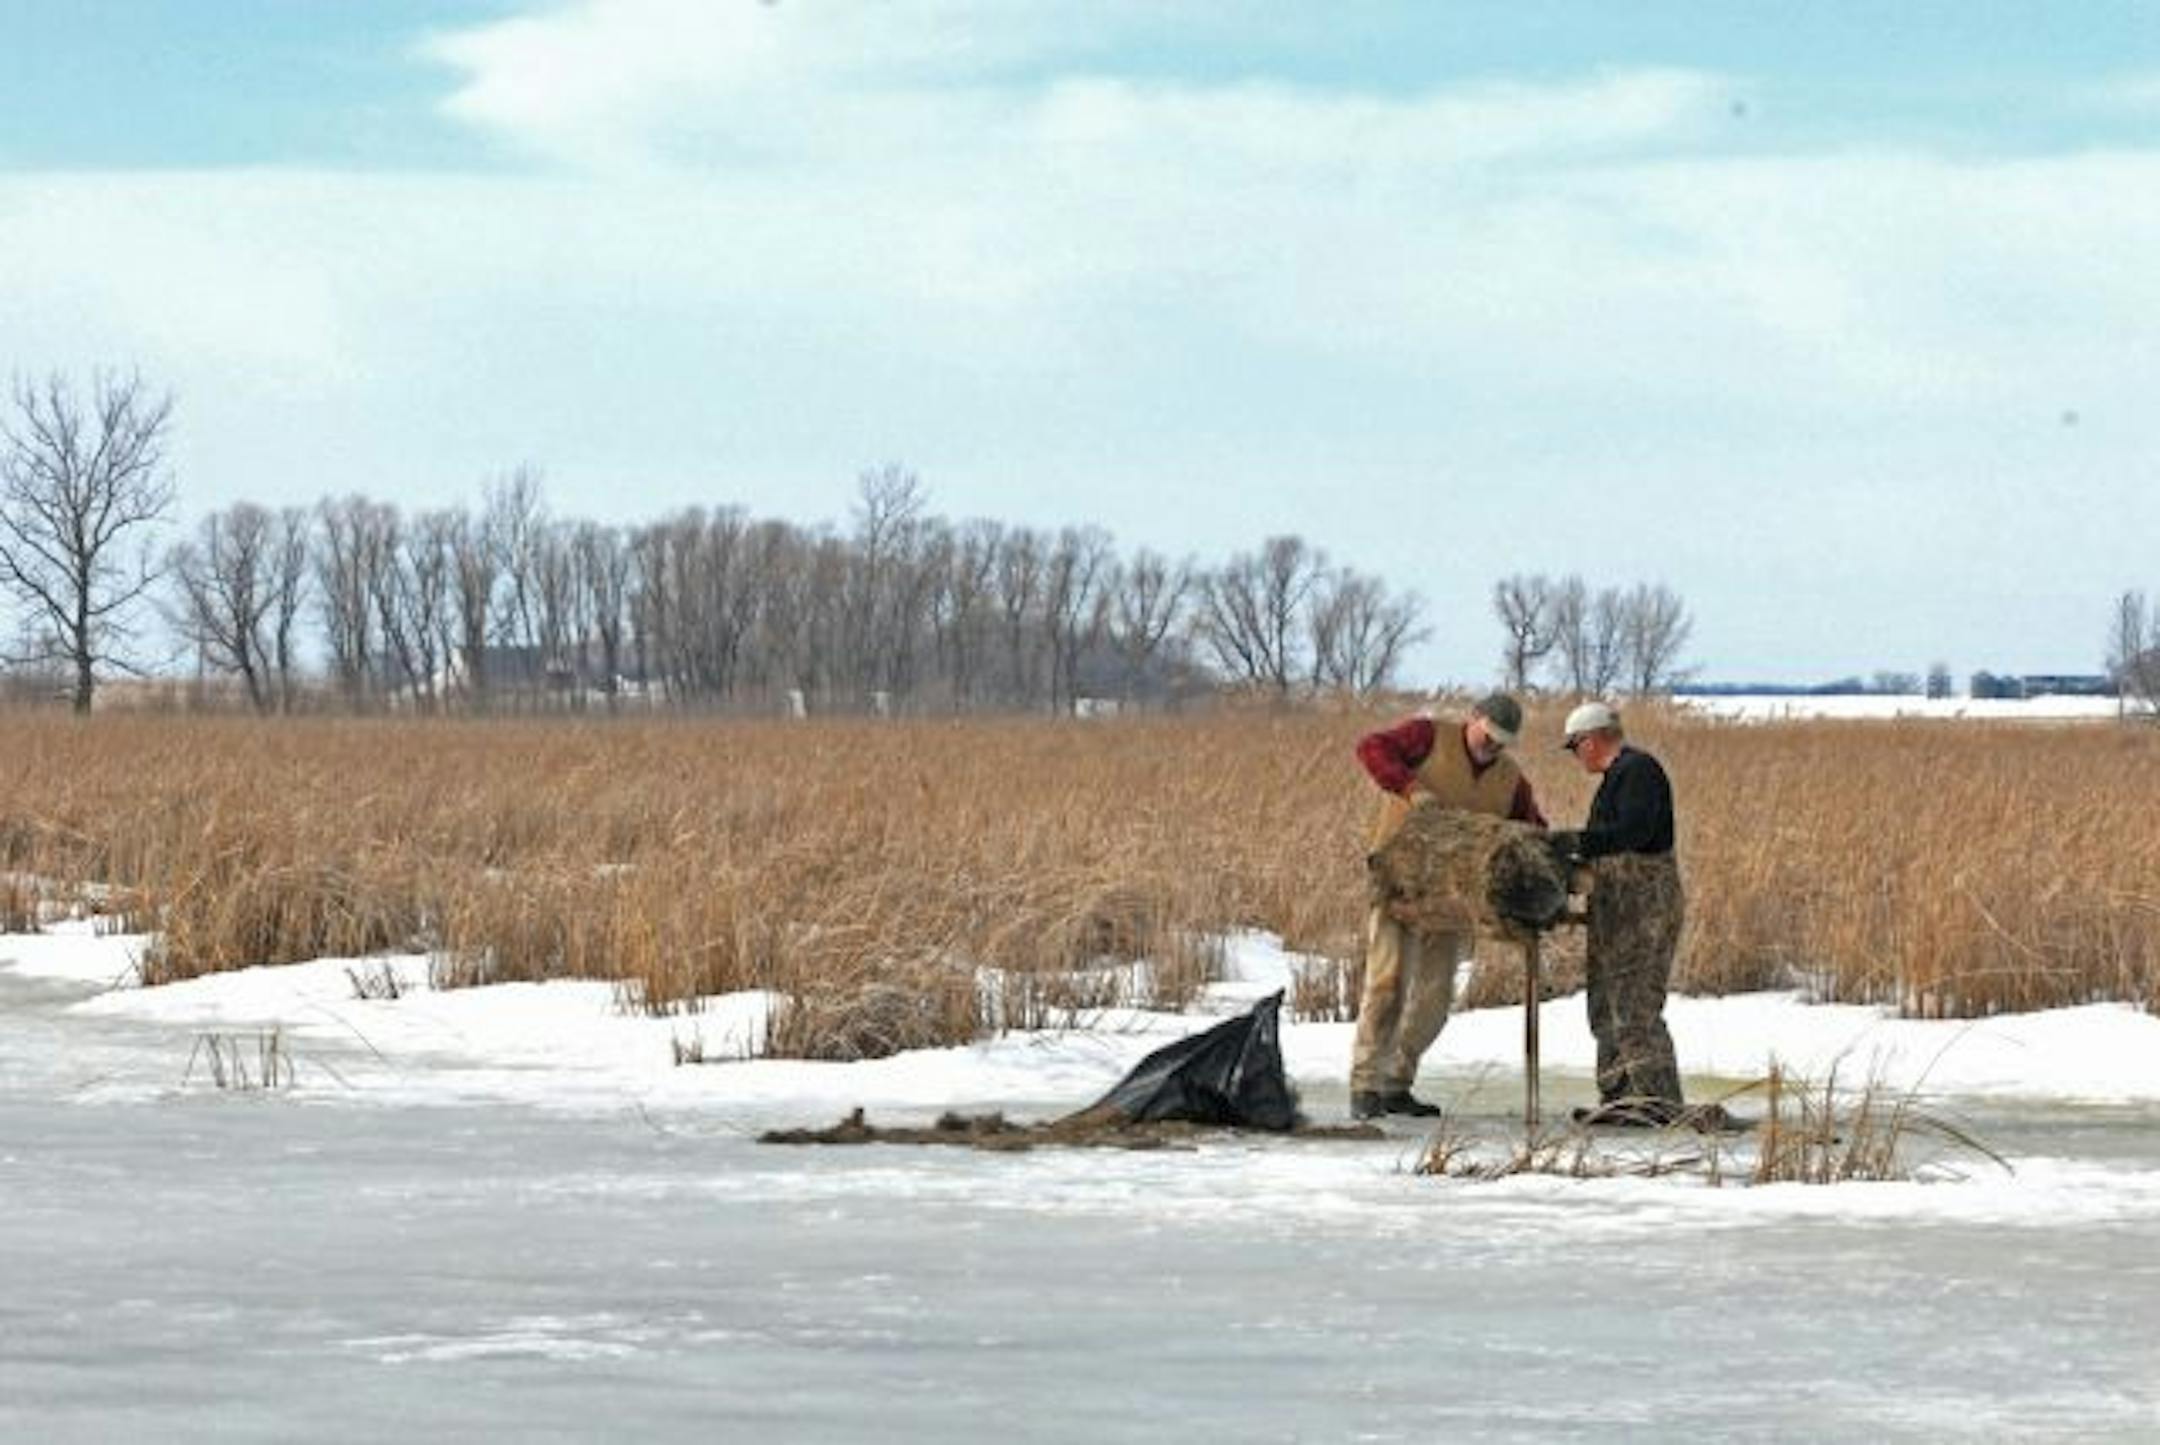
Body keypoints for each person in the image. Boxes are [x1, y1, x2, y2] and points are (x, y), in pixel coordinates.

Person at [1350, 692, 1545, 1120]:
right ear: (1473, 718)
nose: (1493, 746)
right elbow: (1371, 747)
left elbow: (1532, 830)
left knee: (1436, 997)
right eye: (1489, 735)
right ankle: (1365, 1085)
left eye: (1502, 742)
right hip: (1399, 884)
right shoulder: (1427, 736)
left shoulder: (1511, 781)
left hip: (1456, 898)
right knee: (1388, 984)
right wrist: (1411, 788)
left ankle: (1396, 1082)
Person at [1546, 701, 1723, 1130]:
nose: (1576, 757)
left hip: (1644, 911)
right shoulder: (1616, 777)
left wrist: (1578, 842)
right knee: (1605, 1006)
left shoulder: (1639, 771)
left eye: (1575, 748)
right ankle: (1619, 1099)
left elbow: (1634, 831)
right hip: (1613, 910)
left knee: (1636, 1007)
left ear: (1591, 740)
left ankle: (1658, 1103)